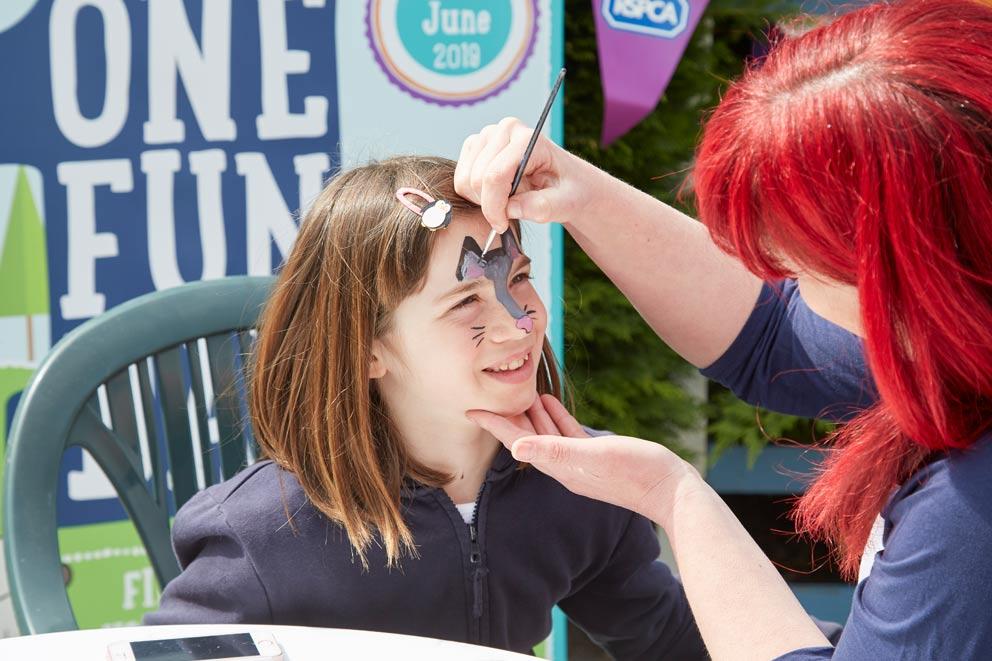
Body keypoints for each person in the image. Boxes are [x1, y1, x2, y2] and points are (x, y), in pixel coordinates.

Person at [458, 0, 992, 658]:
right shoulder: (957, 339)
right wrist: (578, 192)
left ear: (911, 268)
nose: (780, 274)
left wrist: (677, 497)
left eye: (801, 258)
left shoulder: (971, 515)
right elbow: (772, 334)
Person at [145, 156, 707, 658]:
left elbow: (672, 642)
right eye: (466, 302)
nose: (518, 323)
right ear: (366, 349)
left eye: (519, 278)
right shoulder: (260, 533)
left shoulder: (581, 489)